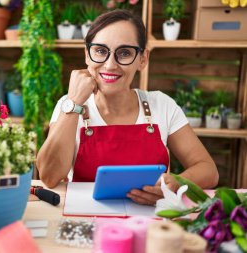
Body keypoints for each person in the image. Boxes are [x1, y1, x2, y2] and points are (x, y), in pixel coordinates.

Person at [36, 9, 219, 205]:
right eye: (100, 51)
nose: (110, 65)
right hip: (84, 218)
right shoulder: (69, 105)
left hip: (152, 221)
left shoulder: (161, 105)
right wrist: (73, 104)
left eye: (124, 53)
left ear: (143, 59)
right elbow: (49, 177)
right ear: (87, 55)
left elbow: (208, 170)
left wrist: (174, 183)